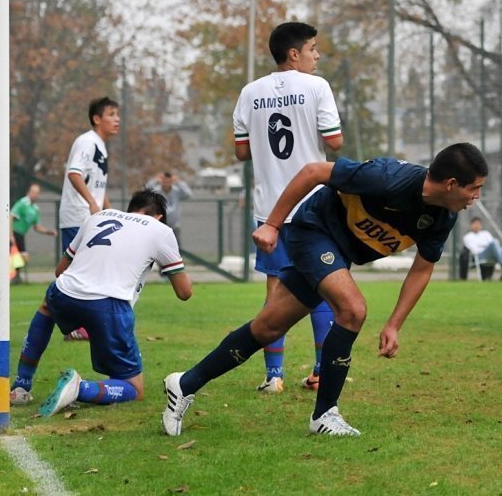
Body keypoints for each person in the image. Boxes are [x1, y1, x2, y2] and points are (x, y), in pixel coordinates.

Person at [162, 143, 487, 437]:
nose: (476, 197)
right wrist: (272, 224)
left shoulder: (441, 217)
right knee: (353, 309)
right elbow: (313, 171)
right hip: (312, 230)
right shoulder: (387, 178)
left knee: (268, 327)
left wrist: (394, 324)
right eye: (475, 189)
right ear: (451, 184)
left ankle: (184, 383)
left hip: (337, 252)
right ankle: (324, 414)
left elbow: (422, 268)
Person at [233, 22, 343, 394]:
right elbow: (336, 142)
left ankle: (273, 376)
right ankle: (321, 371)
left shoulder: (250, 92)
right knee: (322, 288)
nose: (317, 55)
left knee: (275, 289)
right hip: (312, 208)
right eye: (312, 48)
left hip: (269, 212)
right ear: (293, 54)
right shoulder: (317, 87)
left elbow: (241, 151)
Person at [9, 189, 192, 410]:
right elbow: (184, 292)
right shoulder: (160, 230)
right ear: (159, 216)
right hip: (109, 307)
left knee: (47, 308)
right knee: (134, 388)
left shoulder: (98, 217)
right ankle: (80, 388)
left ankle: (21, 386)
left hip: (64, 292)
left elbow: (60, 270)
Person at [58, 96, 120, 341]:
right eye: (111, 114)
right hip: (78, 217)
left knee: (90, 269)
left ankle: (80, 325)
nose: (117, 120)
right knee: (74, 272)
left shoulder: (100, 145)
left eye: (117, 114)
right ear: (97, 119)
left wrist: (108, 209)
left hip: (90, 217)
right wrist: (92, 203)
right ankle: (68, 324)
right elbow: (74, 174)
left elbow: (96, 184)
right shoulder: (87, 141)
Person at [10, 183, 57, 284]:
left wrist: (49, 232)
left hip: (20, 235)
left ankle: (15, 277)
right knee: (15, 257)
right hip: (14, 233)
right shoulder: (22, 203)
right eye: (33, 192)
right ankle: (13, 278)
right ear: (28, 192)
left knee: (23, 258)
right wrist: (10, 235)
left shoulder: (35, 209)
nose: (35, 194)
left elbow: (37, 227)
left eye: (37, 193)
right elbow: (11, 216)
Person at [145, 171, 192, 244]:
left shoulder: (177, 191)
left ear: (172, 182)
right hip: (160, 225)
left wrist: (179, 181)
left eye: (168, 182)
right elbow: (145, 191)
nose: (166, 184)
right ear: (161, 181)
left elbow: (188, 194)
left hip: (174, 225)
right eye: (164, 181)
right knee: (158, 246)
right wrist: (155, 180)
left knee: (176, 247)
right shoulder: (157, 191)